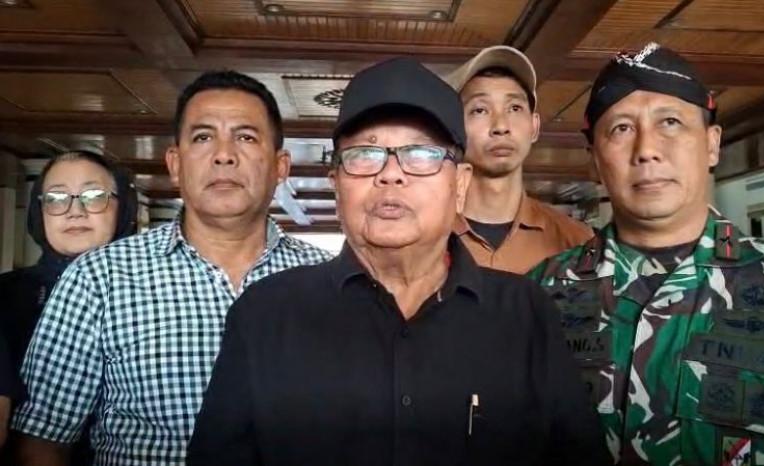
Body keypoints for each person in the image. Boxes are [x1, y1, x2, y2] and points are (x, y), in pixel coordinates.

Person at [187, 57, 610, 466]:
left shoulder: (526, 313)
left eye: (422, 154)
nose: (391, 174)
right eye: (365, 154)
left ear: (460, 185)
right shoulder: (263, 315)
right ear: (336, 185)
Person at [11, 71, 332, 466]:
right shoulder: (99, 278)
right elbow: (42, 442)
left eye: (246, 137)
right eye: (203, 137)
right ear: (175, 164)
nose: (224, 155)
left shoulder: (328, 281)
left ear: (281, 167)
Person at [536, 42, 764, 465]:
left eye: (670, 122)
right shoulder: (537, 295)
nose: (647, 149)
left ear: (712, 144)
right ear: (594, 161)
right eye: (621, 128)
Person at [0, 150, 138, 463]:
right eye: (56, 198)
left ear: (124, 209)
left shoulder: (153, 295)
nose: (75, 211)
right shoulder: (5, 296)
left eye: (94, 196)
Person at [445, 45, 592, 275]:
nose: (501, 126)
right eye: (480, 110)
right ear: (453, 128)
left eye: (514, 108)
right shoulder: (422, 236)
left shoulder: (577, 241)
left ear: (534, 126)